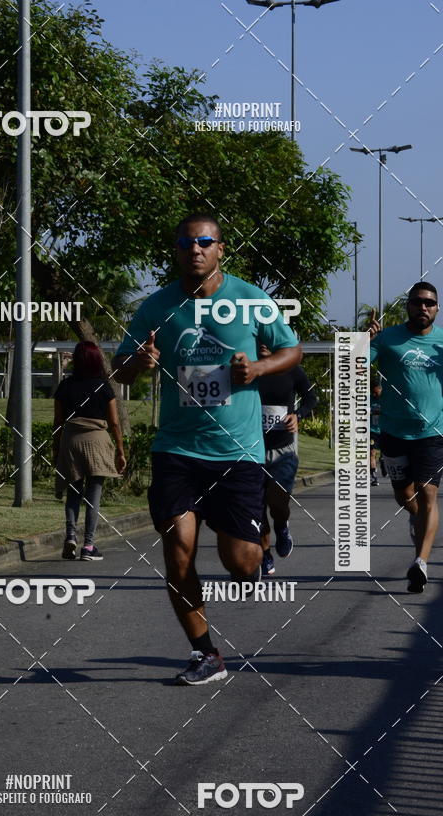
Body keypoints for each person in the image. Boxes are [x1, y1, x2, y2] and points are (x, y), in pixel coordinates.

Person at [112, 212, 301, 684]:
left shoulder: (250, 299)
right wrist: (137, 362)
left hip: (237, 453)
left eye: (204, 242)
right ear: (176, 250)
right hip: (177, 450)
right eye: (185, 243)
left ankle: (254, 547)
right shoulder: (158, 307)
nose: (195, 249)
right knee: (178, 550)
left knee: (241, 563)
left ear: (220, 249)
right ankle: (205, 654)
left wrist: (257, 369)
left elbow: (292, 350)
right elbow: (118, 371)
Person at [368, 282, 443, 592]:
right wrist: (365, 342)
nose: (423, 307)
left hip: (433, 432)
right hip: (394, 431)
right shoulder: (387, 338)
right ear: (408, 306)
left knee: (428, 494)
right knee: (404, 496)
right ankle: (417, 519)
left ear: (437, 309)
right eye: (417, 302)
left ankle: (420, 563)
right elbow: (357, 366)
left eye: (429, 303)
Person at [53, 341, 126, 562]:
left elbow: (57, 422)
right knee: (93, 496)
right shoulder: (104, 387)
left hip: (71, 440)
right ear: (97, 361)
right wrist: (120, 451)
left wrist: (56, 449)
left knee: (73, 492)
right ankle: (89, 546)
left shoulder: (65, 386)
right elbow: (114, 422)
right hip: (98, 442)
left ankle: (70, 536)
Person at [257, 346, 317, 577]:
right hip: (251, 449)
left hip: (283, 448)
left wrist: (298, 414)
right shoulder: (245, 366)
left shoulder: (290, 367)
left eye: (268, 336)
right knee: (256, 507)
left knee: (278, 502)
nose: (263, 342)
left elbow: (311, 397)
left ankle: (281, 526)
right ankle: (264, 554)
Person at [369, 378, 384, 486]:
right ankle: (374, 477)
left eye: (375, 391)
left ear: (380, 389)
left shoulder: (386, 399)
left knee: (386, 454)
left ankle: (383, 461)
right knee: (371, 453)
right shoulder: (369, 399)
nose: (374, 394)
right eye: (372, 392)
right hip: (372, 430)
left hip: (385, 430)